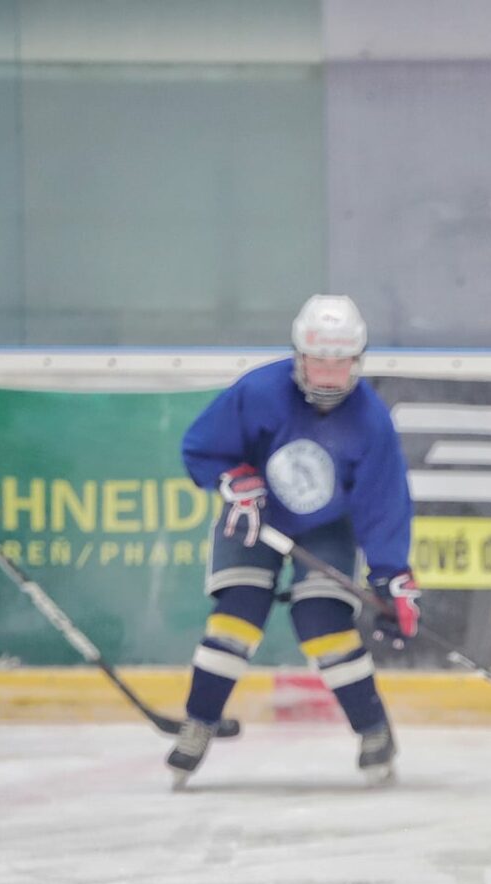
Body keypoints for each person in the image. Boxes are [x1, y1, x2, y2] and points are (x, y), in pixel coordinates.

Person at [165, 294, 418, 788]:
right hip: (255, 518)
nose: (328, 375)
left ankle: (374, 730)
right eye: (318, 361)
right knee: (236, 615)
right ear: (299, 355)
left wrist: (391, 576)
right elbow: (201, 448)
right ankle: (199, 722)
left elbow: (382, 505)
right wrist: (231, 480)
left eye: (340, 362)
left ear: (357, 361)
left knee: (323, 621)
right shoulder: (259, 391)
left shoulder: (371, 421)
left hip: (325, 527)